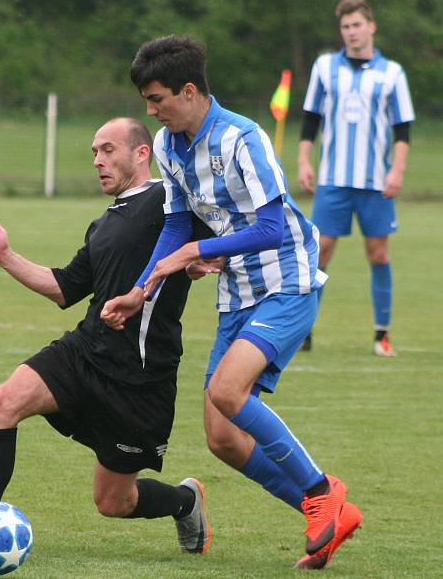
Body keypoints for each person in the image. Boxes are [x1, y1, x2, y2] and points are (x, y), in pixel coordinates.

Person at [100, 35, 362, 570]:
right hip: (238, 291)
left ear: (189, 90)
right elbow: (175, 225)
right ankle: (331, 514)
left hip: (288, 279)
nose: (150, 110)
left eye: (157, 99)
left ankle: (321, 491)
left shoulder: (244, 140)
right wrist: (140, 290)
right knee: (222, 437)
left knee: (227, 389)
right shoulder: (170, 145)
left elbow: (269, 227)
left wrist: (200, 248)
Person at [0, 117, 212, 562]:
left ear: (141, 153)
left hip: (140, 377)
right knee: (3, 401)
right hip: (85, 352)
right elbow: (64, 288)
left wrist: (211, 261)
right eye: (94, 152)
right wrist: (4, 257)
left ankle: (185, 502)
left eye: (108, 149)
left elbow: (221, 236)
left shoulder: (168, 202)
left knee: (114, 502)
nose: (97, 160)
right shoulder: (104, 224)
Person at [298, 0, 414, 356]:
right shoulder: (324, 67)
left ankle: (382, 335)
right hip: (333, 179)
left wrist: (397, 169)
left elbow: (403, 129)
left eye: (357, 25)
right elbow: (310, 120)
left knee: (378, 254)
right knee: (320, 253)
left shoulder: (391, 73)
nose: (351, 32)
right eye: (346, 26)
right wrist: (304, 160)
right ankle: (303, 331)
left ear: (371, 27)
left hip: (376, 182)